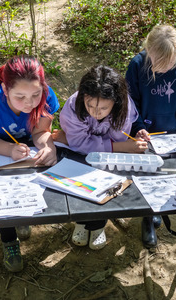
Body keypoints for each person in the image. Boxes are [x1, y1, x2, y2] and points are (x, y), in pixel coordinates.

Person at [0, 55, 59, 272]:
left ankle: (22, 218)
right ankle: (9, 240)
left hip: (26, 152)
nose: (30, 103)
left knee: (26, 189)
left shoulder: (47, 96)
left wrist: (49, 147)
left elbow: (41, 132)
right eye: (20, 97)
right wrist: (9, 149)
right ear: (5, 90)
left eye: (36, 94)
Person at [56, 65, 147, 250]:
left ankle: (98, 226)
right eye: (89, 105)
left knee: (107, 182)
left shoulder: (125, 107)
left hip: (111, 156)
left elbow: (119, 135)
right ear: (83, 96)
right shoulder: (73, 106)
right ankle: (81, 222)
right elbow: (79, 143)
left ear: (116, 102)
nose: (95, 112)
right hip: (79, 154)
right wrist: (123, 147)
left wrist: (117, 145)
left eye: (103, 108)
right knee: (80, 183)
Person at [125, 24, 176, 249]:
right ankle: (147, 219)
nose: (166, 69)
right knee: (147, 175)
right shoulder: (138, 65)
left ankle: (157, 209)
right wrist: (136, 126)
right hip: (145, 131)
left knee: (166, 176)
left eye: (170, 64)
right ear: (150, 51)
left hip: (173, 131)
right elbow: (130, 102)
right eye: (160, 64)